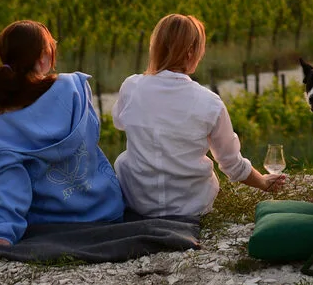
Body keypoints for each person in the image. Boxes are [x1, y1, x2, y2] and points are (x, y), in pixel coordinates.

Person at [113, 14, 286, 217]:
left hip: (138, 204)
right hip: (190, 208)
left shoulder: (132, 87)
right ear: (190, 53)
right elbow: (232, 164)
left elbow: (120, 122)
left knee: (124, 160)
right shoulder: (209, 102)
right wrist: (263, 182)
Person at [0, 20, 125, 244]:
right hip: (103, 209)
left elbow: (11, 184)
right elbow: (93, 134)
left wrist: (4, 233)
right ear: (44, 57)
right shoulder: (75, 89)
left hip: (45, 221)